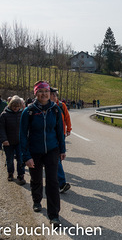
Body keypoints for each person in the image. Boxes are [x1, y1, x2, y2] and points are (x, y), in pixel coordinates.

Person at [20, 81, 65, 228]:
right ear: (35, 94)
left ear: (49, 93)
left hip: (52, 150)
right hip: (35, 151)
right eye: (40, 91)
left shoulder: (56, 109)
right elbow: (22, 135)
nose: (44, 94)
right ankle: (37, 200)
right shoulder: (29, 111)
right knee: (36, 178)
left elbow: (60, 132)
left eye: (46, 91)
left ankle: (54, 215)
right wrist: (26, 156)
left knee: (52, 182)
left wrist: (62, 150)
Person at [50, 87, 71, 193]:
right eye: (52, 94)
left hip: (60, 135)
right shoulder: (43, 107)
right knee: (55, 160)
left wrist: (69, 129)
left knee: (58, 159)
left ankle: (61, 182)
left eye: (55, 94)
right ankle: (60, 182)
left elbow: (67, 117)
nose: (54, 96)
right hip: (48, 137)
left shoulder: (61, 105)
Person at [0, 95, 26, 185]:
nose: (16, 108)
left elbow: (26, 128)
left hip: (20, 142)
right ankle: (10, 173)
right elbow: (1, 129)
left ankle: (21, 175)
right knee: (10, 159)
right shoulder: (4, 115)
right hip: (8, 142)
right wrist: (4, 139)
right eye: (14, 106)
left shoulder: (23, 114)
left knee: (21, 159)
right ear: (11, 105)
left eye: (18, 106)